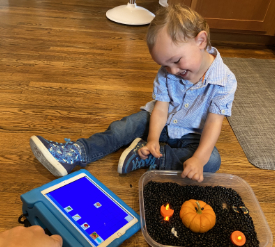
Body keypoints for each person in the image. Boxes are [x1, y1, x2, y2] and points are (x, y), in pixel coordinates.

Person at [30, 4, 237, 182]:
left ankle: (151, 158)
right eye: (164, 65)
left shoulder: (224, 81)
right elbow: (161, 108)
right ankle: (76, 152)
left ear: (201, 41)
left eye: (175, 61)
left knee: (212, 160)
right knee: (123, 128)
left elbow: (213, 123)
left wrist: (199, 159)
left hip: (192, 135)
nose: (172, 71)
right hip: (159, 120)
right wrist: (153, 139)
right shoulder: (168, 70)